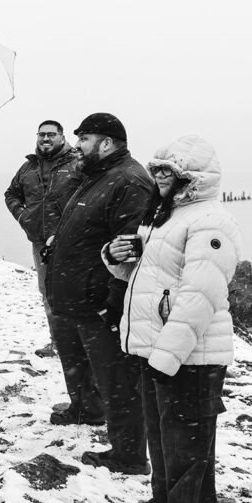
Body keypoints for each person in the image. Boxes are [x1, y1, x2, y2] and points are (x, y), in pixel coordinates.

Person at [104, 135, 241, 503]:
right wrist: (114, 258)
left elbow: (201, 296)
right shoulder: (168, 215)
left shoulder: (211, 220)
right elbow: (147, 278)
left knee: (188, 446)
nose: (160, 177)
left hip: (191, 356)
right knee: (165, 437)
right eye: (157, 170)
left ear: (192, 177)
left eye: (170, 171)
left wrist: (168, 355)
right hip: (159, 349)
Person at [46, 112, 152, 474]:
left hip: (98, 303)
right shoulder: (96, 175)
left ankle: (129, 454)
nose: (77, 146)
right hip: (73, 296)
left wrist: (112, 304)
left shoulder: (129, 181)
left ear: (106, 143)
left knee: (117, 380)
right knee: (77, 363)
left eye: (84, 140)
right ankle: (85, 408)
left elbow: (130, 248)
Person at [4, 119, 82, 357]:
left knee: (78, 293)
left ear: (62, 137)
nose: (45, 139)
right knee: (48, 293)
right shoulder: (28, 167)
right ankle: (58, 342)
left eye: (51, 134)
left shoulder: (78, 163)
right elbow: (11, 194)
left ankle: (81, 344)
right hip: (41, 243)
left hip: (74, 242)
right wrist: (24, 217)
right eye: (41, 135)